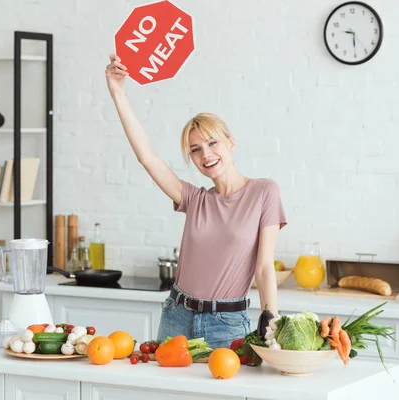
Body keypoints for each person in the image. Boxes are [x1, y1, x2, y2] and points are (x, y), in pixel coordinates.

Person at [105, 54, 287, 349]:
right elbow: (147, 157)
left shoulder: (265, 192)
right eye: (196, 149)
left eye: (213, 142)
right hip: (176, 316)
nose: (206, 155)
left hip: (225, 325)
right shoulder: (195, 199)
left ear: (230, 141)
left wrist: (272, 317)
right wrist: (117, 92)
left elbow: (264, 267)